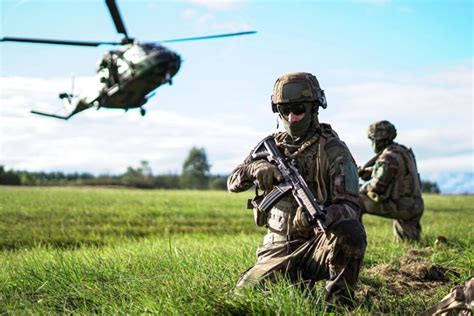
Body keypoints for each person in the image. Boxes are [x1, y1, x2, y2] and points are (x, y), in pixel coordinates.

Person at [227, 72, 366, 308]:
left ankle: (338, 306)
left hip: (317, 245)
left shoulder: (333, 150)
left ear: (314, 108)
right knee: (242, 301)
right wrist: (256, 168)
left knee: (351, 233)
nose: (291, 117)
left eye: (299, 109)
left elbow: (351, 206)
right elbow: (232, 183)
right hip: (276, 248)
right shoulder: (271, 145)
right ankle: (297, 284)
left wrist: (323, 215)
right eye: (284, 110)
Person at [358, 120, 424, 242]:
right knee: (408, 243)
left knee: (355, 200)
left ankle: (354, 240)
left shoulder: (388, 156)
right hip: (416, 204)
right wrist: (366, 172)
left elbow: (376, 188)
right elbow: (392, 170)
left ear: (376, 139)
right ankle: (412, 244)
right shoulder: (402, 151)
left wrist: (360, 187)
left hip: (403, 206)